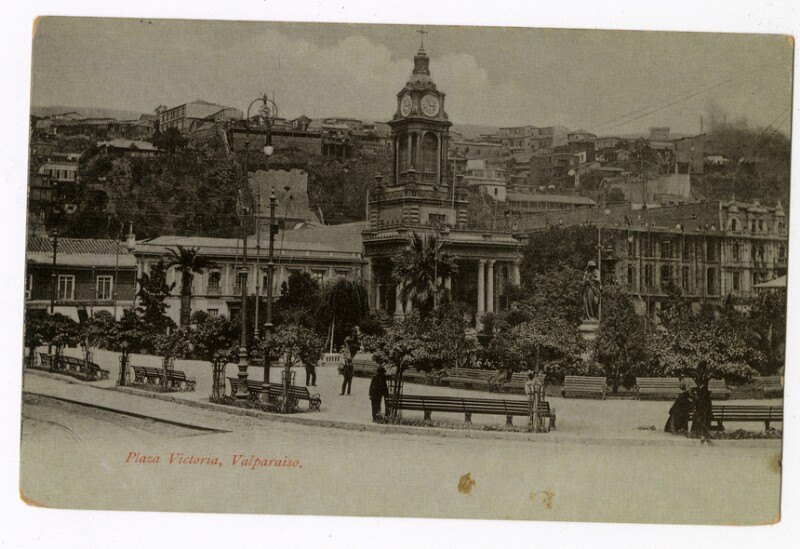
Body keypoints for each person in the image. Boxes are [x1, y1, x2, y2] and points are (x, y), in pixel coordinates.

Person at [690, 380, 713, 445]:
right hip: (704, 411)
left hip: (704, 411)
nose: (696, 383)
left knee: (699, 420)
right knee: (698, 419)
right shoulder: (701, 389)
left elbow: (702, 401)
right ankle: (702, 435)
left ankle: (702, 435)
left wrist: (696, 398)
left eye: (697, 382)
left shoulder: (703, 389)